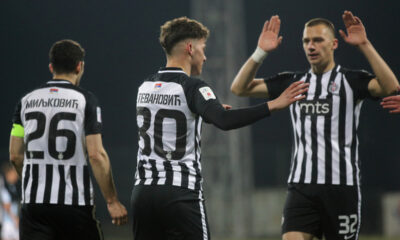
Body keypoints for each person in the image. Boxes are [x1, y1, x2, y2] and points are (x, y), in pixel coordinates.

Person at [131, 16, 309, 240]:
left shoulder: (144, 86)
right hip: (179, 193)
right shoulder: (193, 86)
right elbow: (225, 120)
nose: (205, 57)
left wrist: (203, 114)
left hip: (142, 193)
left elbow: (166, 120)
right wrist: (274, 103)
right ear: (190, 48)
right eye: (203, 49)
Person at [230, 11, 399, 240]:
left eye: (318, 40)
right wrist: (260, 53)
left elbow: (390, 87)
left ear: (334, 44)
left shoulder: (351, 81)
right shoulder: (293, 82)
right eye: (306, 41)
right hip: (301, 186)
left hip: (341, 187)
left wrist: (365, 45)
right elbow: (239, 88)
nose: (311, 46)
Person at [9, 39, 128, 240]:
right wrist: (112, 200)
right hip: (74, 205)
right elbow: (96, 154)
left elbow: (15, 156)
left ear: (51, 67)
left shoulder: (25, 102)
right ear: (79, 66)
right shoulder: (85, 100)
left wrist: (33, 181)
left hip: (34, 205)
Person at [0, 163, 20, 240]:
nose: (16, 176)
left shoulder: (15, 187)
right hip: (9, 223)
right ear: (8, 174)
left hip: (15, 221)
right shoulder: (4, 188)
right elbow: (7, 207)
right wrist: (15, 219)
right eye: (14, 173)